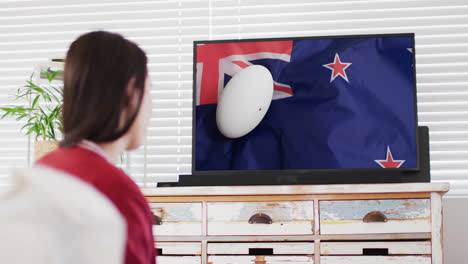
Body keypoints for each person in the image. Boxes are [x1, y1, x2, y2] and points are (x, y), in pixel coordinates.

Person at [36, 31, 155, 264]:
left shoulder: (42, 170)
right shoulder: (117, 193)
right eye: (149, 90)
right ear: (130, 93)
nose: (152, 107)